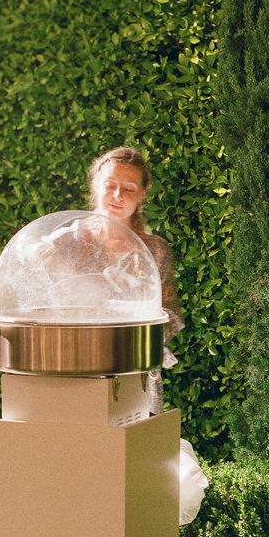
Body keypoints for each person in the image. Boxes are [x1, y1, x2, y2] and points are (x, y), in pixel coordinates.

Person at [88, 145, 184, 413]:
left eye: (129, 188)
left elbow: (171, 316)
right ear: (96, 186)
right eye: (110, 185)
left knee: (132, 443)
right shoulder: (71, 240)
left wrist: (135, 330)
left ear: (142, 195)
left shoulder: (155, 250)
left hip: (134, 366)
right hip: (78, 365)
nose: (117, 195)